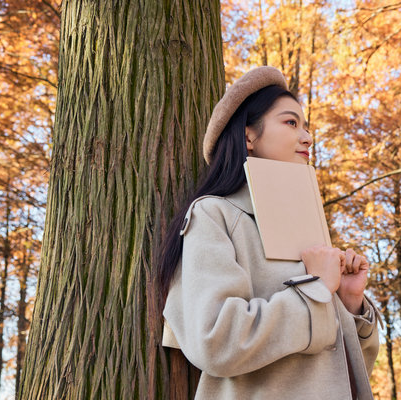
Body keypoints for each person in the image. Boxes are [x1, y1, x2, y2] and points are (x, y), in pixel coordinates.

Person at [159, 66, 380, 400]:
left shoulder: (309, 229)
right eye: (291, 123)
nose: (307, 137)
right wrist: (316, 290)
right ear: (249, 135)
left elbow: (334, 371)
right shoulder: (214, 215)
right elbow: (214, 341)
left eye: (306, 126)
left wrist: (348, 304)